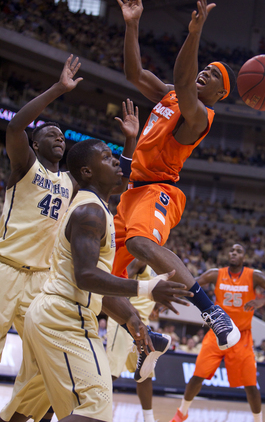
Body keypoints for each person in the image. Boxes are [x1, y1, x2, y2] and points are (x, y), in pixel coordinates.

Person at [0, 136, 193, 422]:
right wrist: (147, 288)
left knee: (27, 408)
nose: (116, 161)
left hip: (50, 314)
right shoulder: (90, 212)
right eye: (106, 157)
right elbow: (87, 276)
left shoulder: (97, 208)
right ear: (87, 172)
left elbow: (96, 283)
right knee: (96, 408)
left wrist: (131, 320)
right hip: (65, 317)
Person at [113, 0, 240, 367]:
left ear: (218, 95)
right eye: (206, 67)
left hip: (160, 190)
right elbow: (134, 72)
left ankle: (212, 311)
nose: (206, 71)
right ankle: (145, 335)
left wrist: (194, 33)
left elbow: (185, 85)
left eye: (213, 75)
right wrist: (132, 26)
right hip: (131, 191)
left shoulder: (201, 115)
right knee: (100, 278)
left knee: (138, 243)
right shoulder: (168, 94)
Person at [0, 54, 83, 362]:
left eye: (61, 135)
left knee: (43, 357)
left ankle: (21, 413)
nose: (59, 136)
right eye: (51, 133)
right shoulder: (25, 164)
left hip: (42, 279)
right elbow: (15, 127)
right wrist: (59, 89)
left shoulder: (71, 182)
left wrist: (130, 142)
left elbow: (111, 178)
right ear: (36, 144)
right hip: (6, 267)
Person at [168, 243, 265, 422]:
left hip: (242, 337)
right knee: (197, 376)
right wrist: (169, 293)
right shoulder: (216, 274)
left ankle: (258, 420)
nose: (234, 253)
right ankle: (182, 412)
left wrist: (262, 302)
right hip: (217, 333)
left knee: (251, 386)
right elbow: (190, 283)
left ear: (244, 258)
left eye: (238, 251)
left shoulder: (254, 276)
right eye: (231, 250)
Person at [106, 258, 170, 422]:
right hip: (124, 319)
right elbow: (119, 284)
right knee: (111, 372)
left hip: (143, 323)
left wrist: (155, 304)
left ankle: (149, 419)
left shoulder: (158, 266)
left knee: (145, 374)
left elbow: (151, 290)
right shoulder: (140, 260)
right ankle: (92, 412)